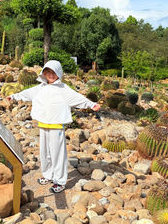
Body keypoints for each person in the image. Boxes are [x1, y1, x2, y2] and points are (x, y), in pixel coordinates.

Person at [6, 60, 101, 194]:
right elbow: (27, 94)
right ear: (43, 73)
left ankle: (60, 181)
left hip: (56, 125)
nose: (51, 75)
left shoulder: (63, 89)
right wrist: (14, 96)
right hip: (43, 124)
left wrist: (91, 105)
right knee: (45, 152)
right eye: (48, 72)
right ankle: (48, 175)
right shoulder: (40, 88)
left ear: (59, 73)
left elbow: (77, 98)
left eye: (53, 72)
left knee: (57, 154)